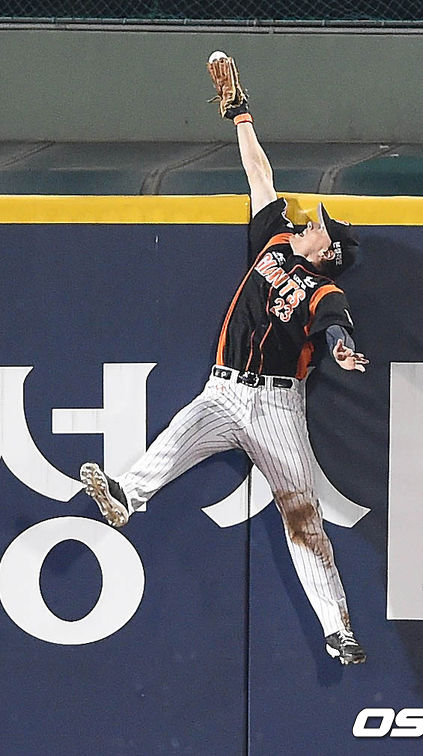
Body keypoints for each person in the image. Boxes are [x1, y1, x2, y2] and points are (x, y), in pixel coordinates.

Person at [80, 56, 369, 665]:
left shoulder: (324, 289)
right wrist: (240, 113)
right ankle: (126, 497)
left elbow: (334, 324)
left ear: (330, 252)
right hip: (225, 391)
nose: (311, 221)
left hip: (277, 406)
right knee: (177, 434)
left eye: (322, 228)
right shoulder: (274, 241)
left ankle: (337, 627)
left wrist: (342, 348)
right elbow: (259, 174)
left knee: (302, 516)